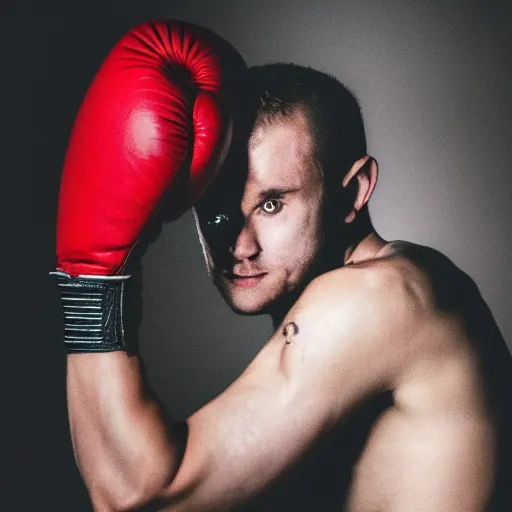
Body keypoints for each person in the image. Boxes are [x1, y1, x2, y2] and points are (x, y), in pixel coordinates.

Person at [51, 20, 511, 512]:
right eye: (220, 210)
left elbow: (135, 496)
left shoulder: (380, 298)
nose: (240, 245)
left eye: (273, 204)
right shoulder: (369, 302)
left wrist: (94, 275)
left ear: (353, 191)